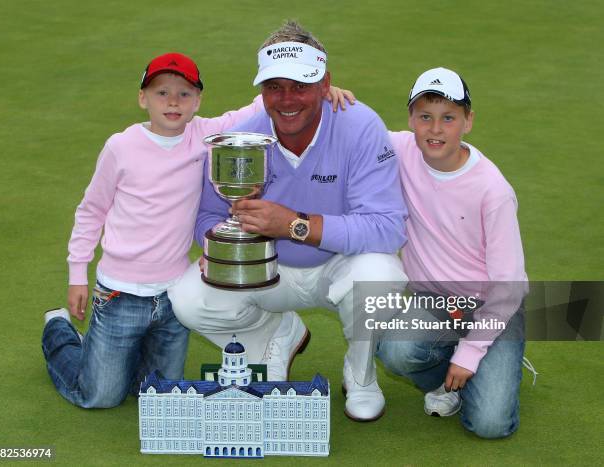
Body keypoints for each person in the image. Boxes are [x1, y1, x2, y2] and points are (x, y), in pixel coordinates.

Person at [168, 21, 408, 422]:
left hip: (339, 265)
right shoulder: (243, 136)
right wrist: (224, 244)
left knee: (381, 274)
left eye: (300, 85)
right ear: (261, 90)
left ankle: (361, 374)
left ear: (325, 82)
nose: (286, 99)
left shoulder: (361, 125)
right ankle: (276, 337)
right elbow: (208, 215)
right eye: (274, 87)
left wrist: (295, 224)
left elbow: (388, 227)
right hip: (268, 269)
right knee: (188, 299)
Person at [42, 52, 269, 409]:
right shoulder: (121, 147)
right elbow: (91, 211)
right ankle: (58, 331)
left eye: (184, 93)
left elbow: (258, 108)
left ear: (198, 101)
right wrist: (76, 275)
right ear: (142, 98)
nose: (173, 102)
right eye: (162, 92)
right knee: (99, 395)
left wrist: (317, 87)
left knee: (155, 394)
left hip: (172, 298)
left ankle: (113, 357)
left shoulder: (206, 136)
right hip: (119, 295)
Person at [377, 67, 529, 438]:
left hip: (492, 307)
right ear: (411, 119)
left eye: (448, 118)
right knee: (396, 351)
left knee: (490, 425)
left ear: (468, 121)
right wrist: (335, 96)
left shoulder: (493, 190)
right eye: (425, 117)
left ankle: (485, 358)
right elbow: (350, 131)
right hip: (434, 302)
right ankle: (451, 380)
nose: (435, 129)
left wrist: (470, 352)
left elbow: (508, 287)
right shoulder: (399, 149)